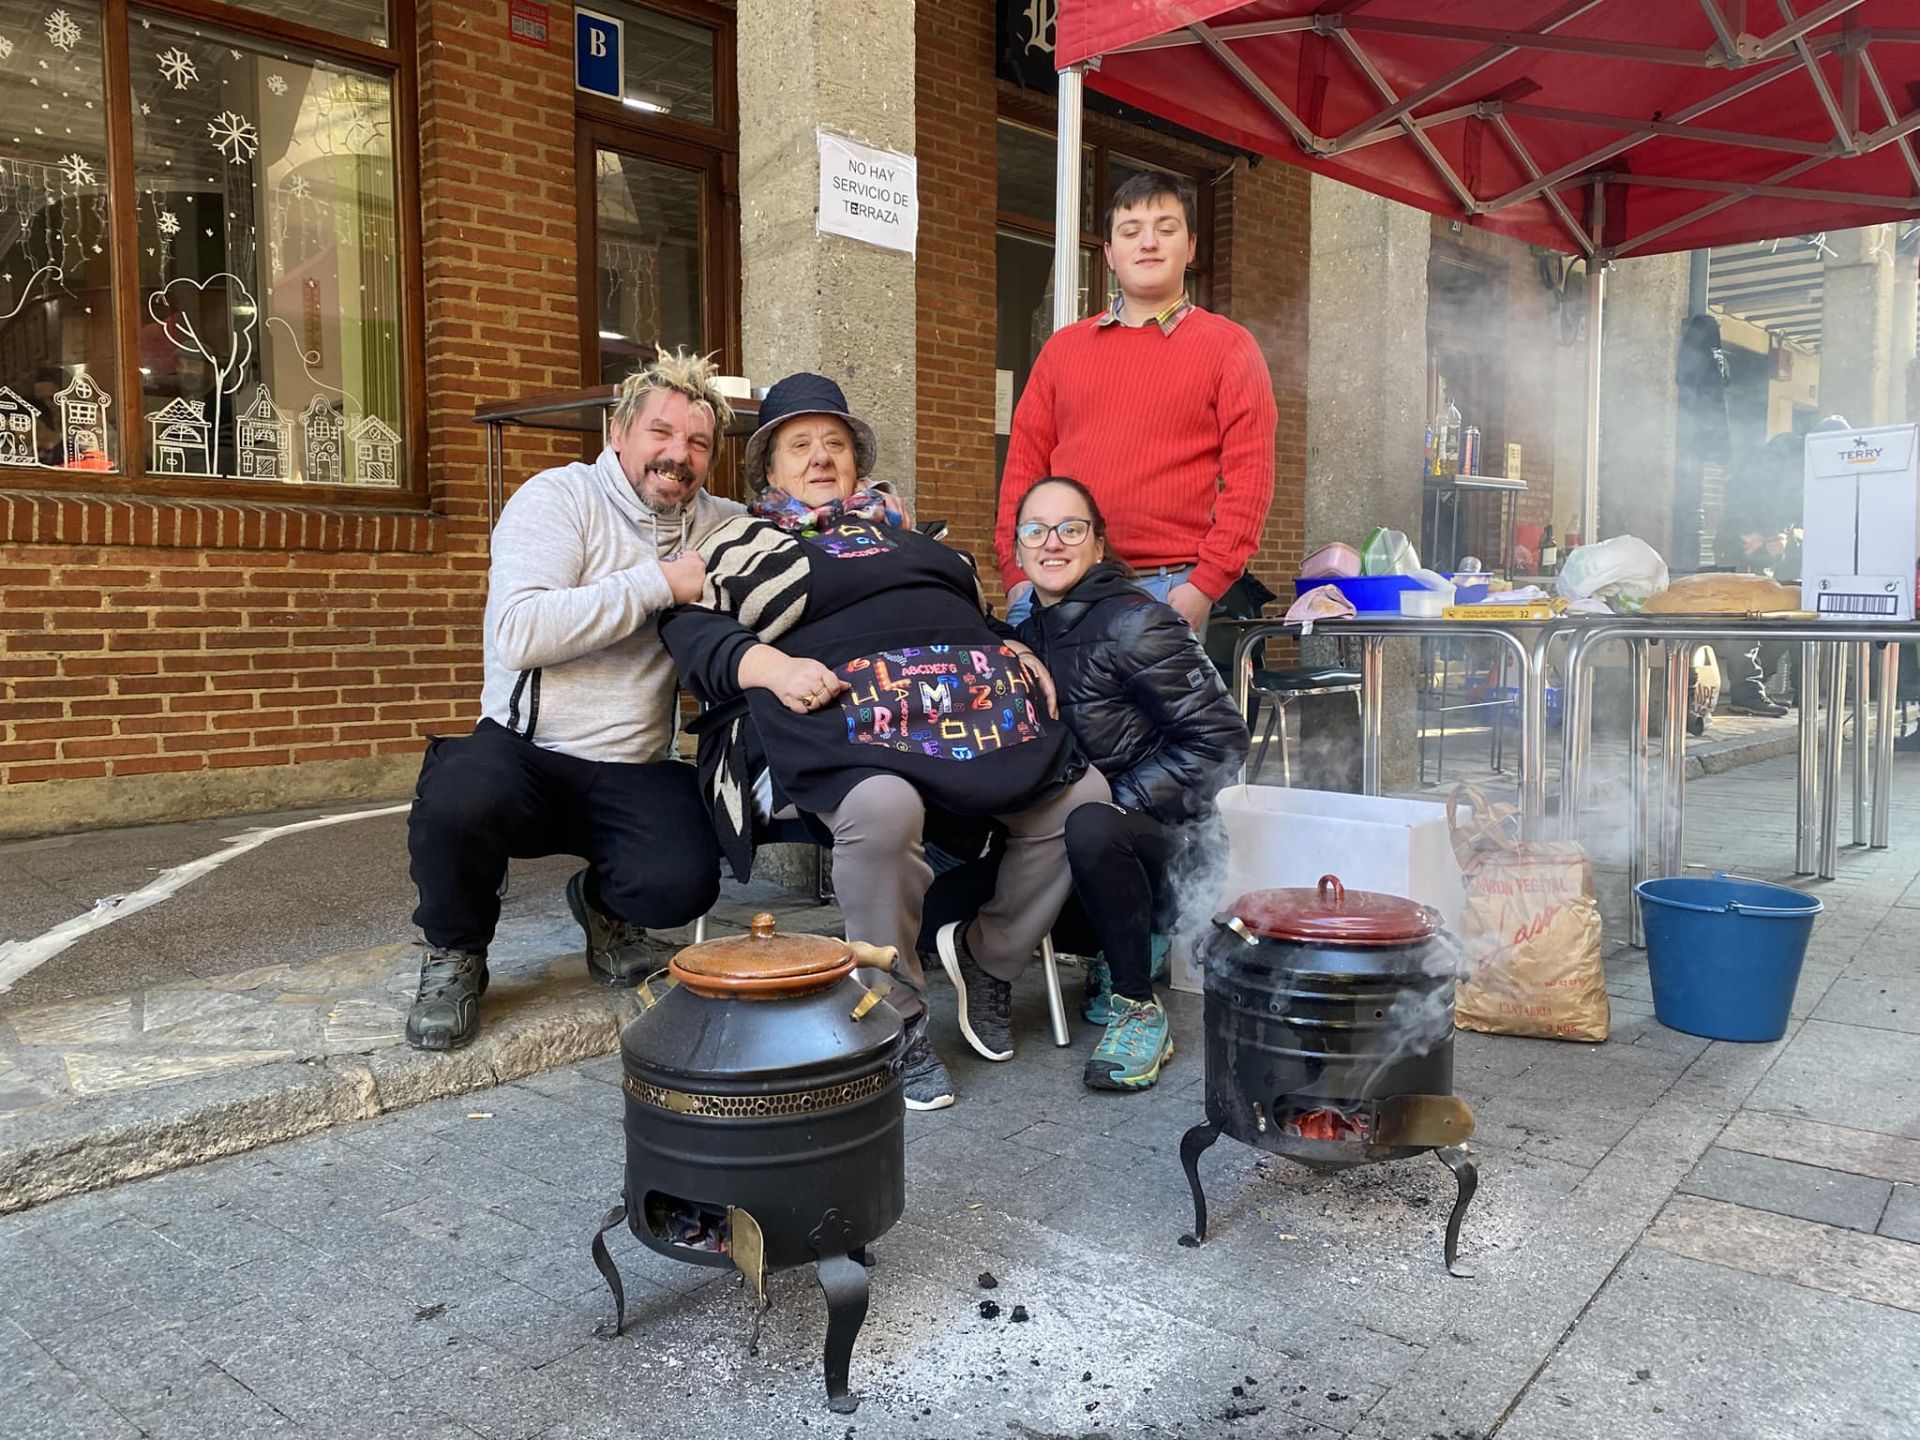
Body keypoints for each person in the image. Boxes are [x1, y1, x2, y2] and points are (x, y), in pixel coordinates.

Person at [660, 373, 1110, 1111]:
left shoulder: (911, 538)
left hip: (960, 716)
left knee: (1083, 797)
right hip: (837, 728)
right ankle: (892, 1014)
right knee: (884, 806)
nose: (819, 458)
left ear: (858, 463)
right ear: (768, 469)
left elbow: (963, 618)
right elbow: (690, 631)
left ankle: (988, 958)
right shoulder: (739, 543)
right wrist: (770, 665)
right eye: (798, 446)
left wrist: (1008, 646)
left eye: (834, 444)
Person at [401, 349, 735, 1050]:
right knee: (459, 797)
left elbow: (804, 544)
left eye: (698, 443)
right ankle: (456, 952)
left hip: (635, 765)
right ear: (618, 433)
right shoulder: (558, 498)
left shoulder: (722, 524)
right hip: (526, 755)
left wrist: (873, 511)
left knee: (685, 879)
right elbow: (520, 632)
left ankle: (604, 907)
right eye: (661, 433)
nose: (678, 455)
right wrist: (658, 584)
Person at [1013, 477, 1247, 1091]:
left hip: (1171, 846)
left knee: (1090, 823)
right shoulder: (1026, 635)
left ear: (1098, 544)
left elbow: (1222, 743)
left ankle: (1140, 1008)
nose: (1052, 543)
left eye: (1071, 528)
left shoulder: (1139, 621)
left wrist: (1113, 802)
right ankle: (1110, 950)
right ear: (1016, 550)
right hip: (1081, 842)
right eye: (1035, 530)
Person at [995, 170, 1278, 634]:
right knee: (1040, 709)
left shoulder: (1229, 347)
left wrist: (1204, 586)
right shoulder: (1063, 349)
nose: (1148, 242)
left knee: (1149, 712)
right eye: (1131, 232)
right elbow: (1023, 468)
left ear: (1189, 248)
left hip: (1169, 588)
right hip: (1055, 583)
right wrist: (1014, 574)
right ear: (1109, 253)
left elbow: (1252, 479)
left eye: (1165, 229)